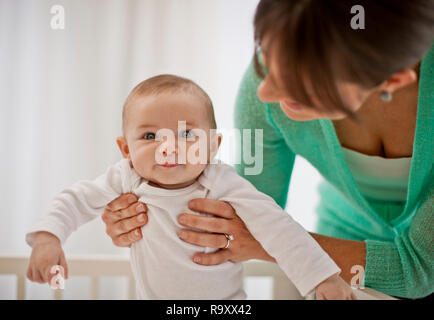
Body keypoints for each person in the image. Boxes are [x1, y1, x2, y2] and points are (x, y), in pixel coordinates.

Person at [101, 1, 433, 299]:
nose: (266, 92)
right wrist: (145, 217)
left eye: (301, 83)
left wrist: (273, 246)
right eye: (266, 60)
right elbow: (243, 218)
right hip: (341, 251)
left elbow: (420, 270)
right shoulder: (263, 94)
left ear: (391, 81)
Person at [26, 74, 356, 299]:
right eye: (150, 136)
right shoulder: (125, 177)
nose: (168, 147)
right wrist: (47, 238)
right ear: (126, 149)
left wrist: (322, 277)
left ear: (213, 146)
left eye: (187, 134)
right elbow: (75, 200)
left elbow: (280, 229)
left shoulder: (222, 183)